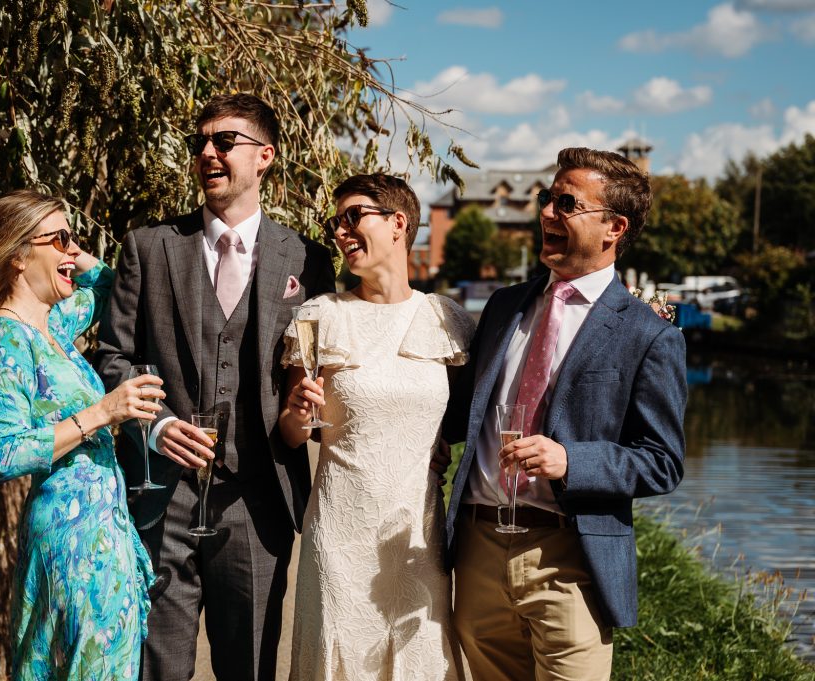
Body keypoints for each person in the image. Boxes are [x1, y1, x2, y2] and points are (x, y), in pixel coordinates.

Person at [94, 93, 336, 681]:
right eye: (199, 142)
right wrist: (156, 425)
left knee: (249, 667)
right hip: (162, 498)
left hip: (257, 499)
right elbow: (112, 357)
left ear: (265, 157)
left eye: (225, 141)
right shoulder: (149, 247)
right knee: (158, 668)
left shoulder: (308, 259)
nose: (207, 152)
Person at [442, 148, 687, 680]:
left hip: (568, 559)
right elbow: (455, 415)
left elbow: (662, 462)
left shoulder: (648, 335)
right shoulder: (504, 307)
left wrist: (571, 460)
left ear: (613, 227)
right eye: (547, 199)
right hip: (478, 551)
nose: (548, 213)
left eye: (566, 202)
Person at [0, 190, 160, 680]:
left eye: (70, 239)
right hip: (71, 542)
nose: (69, 249)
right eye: (58, 239)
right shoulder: (7, 338)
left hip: (103, 534)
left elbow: (111, 288)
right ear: (18, 255)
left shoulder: (50, 327)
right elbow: (5, 452)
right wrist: (103, 413)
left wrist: (78, 257)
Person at [279, 174, 473, 680]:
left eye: (353, 217)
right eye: (335, 223)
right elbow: (291, 431)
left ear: (398, 223)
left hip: (417, 536)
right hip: (340, 534)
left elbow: (479, 415)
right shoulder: (319, 317)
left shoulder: (446, 319)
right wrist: (299, 416)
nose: (341, 232)